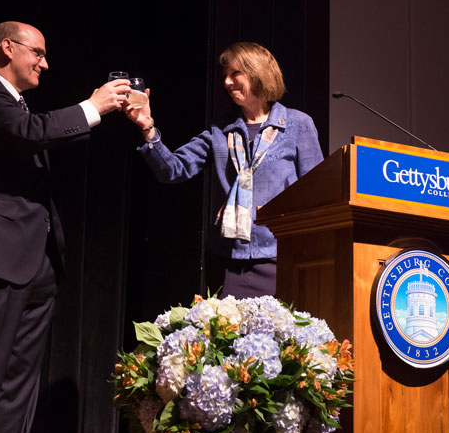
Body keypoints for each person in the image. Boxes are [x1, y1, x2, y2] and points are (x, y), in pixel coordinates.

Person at [0, 21, 129, 433]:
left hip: (35, 264)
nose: (45, 64)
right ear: (8, 48)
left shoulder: (20, 107)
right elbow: (30, 133)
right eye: (38, 53)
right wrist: (93, 106)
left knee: (16, 393)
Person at [125, 42, 323, 299]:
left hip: (280, 255)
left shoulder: (298, 124)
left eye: (235, 74)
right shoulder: (220, 129)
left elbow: (317, 192)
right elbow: (173, 170)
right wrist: (147, 126)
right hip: (226, 257)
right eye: (225, 76)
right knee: (225, 337)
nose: (227, 82)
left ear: (258, 73)